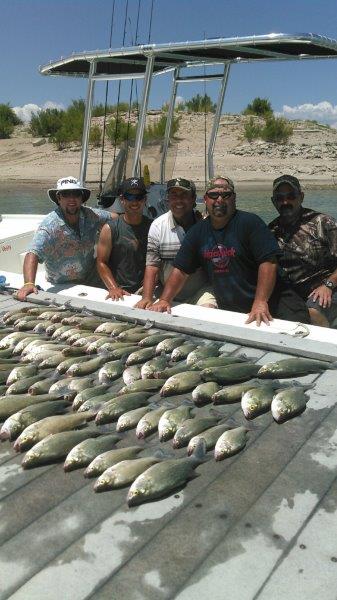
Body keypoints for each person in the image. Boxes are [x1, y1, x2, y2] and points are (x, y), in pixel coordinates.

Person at [149, 176, 310, 325]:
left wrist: (261, 302)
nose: (219, 200)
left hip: (275, 303)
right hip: (234, 310)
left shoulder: (250, 223)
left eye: (225, 195)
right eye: (213, 195)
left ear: (234, 198)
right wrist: (165, 300)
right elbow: (181, 270)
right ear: (205, 199)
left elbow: (268, 263)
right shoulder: (198, 232)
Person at [16, 176, 113, 301]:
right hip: (62, 285)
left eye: (76, 194)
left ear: (82, 197)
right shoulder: (50, 225)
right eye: (66, 194)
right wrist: (28, 284)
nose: (71, 199)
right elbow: (33, 253)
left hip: (91, 277)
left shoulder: (90, 214)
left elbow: (115, 219)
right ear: (59, 198)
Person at [135, 177, 216, 309]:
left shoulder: (206, 226)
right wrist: (147, 297)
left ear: (193, 199)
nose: (179, 200)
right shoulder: (157, 226)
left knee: (208, 310)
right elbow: (152, 265)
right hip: (165, 289)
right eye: (174, 195)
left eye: (184, 195)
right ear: (167, 199)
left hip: (199, 291)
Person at [269, 174, 337, 327]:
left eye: (291, 196)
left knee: (312, 314)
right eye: (280, 198)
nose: (285, 202)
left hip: (327, 288)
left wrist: (329, 285)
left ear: (301, 197)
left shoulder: (322, 222)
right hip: (291, 294)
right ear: (274, 202)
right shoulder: (270, 231)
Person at [96, 177, 152, 300]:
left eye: (139, 197)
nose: (135, 202)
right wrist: (113, 288)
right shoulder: (110, 228)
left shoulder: (153, 227)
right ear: (122, 199)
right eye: (129, 197)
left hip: (147, 290)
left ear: (145, 199)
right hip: (120, 291)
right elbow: (101, 262)